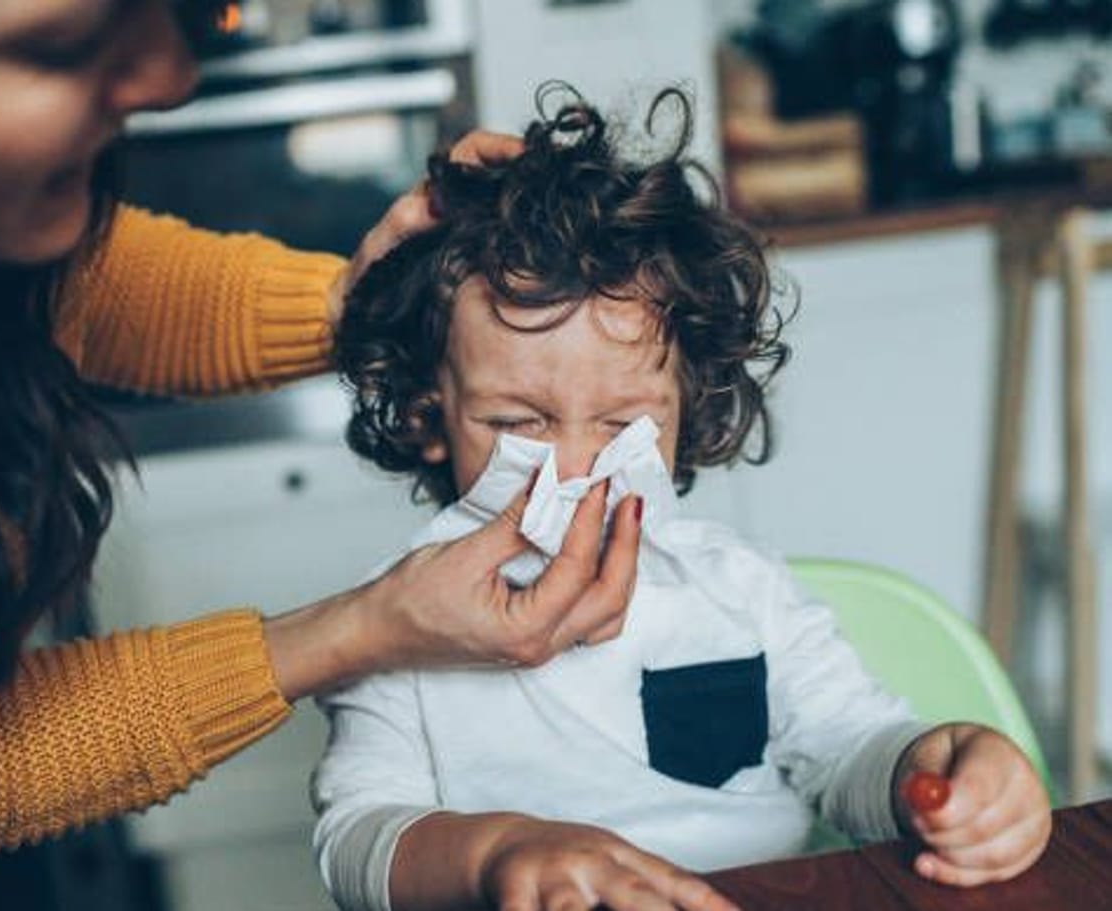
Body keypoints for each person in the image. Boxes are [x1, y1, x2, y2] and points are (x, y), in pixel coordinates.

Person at [0, 0, 643, 878]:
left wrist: (375, 304)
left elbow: (97, 284)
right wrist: (362, 627)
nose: (173, 77)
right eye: (59, 44)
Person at [313, 87, 1053, 911]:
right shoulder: (397, 620)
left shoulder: (739, 589)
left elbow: (848, 749)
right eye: (518, 421)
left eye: (623, 422)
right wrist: (494, 851)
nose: (575, 468)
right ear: (429, 417)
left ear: (684, 408)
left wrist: (933, 766)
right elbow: (355, 838)